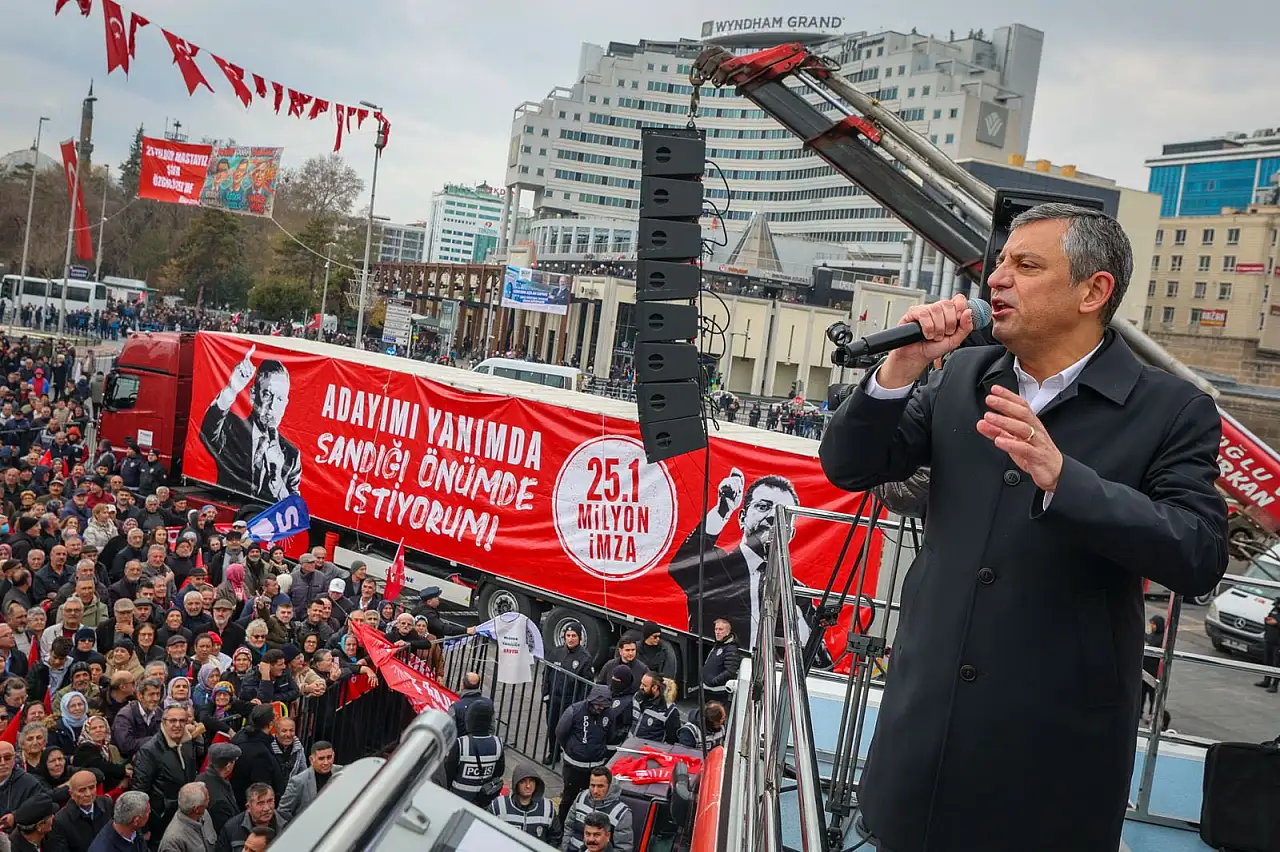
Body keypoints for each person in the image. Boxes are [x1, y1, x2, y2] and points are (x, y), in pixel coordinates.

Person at [818, 203, 1229, 852]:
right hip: (924, 739)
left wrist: (1066, 480)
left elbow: (1199, 553)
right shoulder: (964, 377)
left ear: (1094, 291)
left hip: (1052, 761)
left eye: (1026, 265)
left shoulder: (1172, 409)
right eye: (1000, 264)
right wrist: (901, 368)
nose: (997, 280)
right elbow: (849, 466)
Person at [667, 469, 809, 648]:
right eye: (763, 506)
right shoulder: (716, 566)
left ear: (791, 533)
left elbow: (821, 661)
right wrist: (722, 510)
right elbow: (681, 567)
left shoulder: (797, 592)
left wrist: (805, 637)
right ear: (742, 518)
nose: (773, 516)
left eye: (785, 514)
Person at [199, 348, 301, 502]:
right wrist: (232, 389)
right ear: (253, 394)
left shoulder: (291, 456)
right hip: (230, 502)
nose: (272, 405)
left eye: (279, 399)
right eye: (267, 395)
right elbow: (208, 430)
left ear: (286, 404)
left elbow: (295, 506)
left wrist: (278, 483)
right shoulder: (231, 427)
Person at [132, 705, 203, 836]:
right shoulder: (149, 751)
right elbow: (140, 790)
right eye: (172, 721)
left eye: (182, 721)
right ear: (164, 723)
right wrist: (144, 827)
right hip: (161, 821)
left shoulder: (187, 743)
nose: (177, 725)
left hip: (185, 814)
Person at [554, 687, 612, 827]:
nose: (600, 709)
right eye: (597, 705)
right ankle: (561, 827)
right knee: (568, 798)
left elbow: (610, 734)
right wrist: (571, 749)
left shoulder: (608, 714)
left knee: (592, 800)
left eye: (603, 706)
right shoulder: (575, 711)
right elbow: (560, 732)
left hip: (595, 767)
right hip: (574, 767)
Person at [542, 623, 595, 764]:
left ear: (580, 638)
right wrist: (545, 693)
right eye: (568, 636)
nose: (570, 639)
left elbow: (586, 685)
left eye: (574, 636)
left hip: (570, 701)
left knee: (567, 729)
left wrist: (578, 705)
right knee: (552, 726)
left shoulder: (585, 657)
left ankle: (569, 755)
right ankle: (553, 753)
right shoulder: (556, 652)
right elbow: (547, 673)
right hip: (554, 698)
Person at [444, 702, 504, 808]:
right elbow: (499, 772)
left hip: (458, 800)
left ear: (469, 720)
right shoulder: (497, 743)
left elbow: (449, 773)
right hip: (484, 801)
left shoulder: (461, 744)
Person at [560, 767, 633, 852]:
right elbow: (569, 826)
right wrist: (565, 848)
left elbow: (623, 848)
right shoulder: (581, 797)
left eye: (600, 786)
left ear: (610, 786)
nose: (595, 791)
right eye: (592, 785)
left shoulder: (621, 814)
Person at [488, 764, 561, 846]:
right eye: (523, 782)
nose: (528, 786)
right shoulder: (498, 806)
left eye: (531, 781)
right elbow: (487, 835)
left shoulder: (548, 808)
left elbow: (555, 837)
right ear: (516, 784)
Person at [45, 771, 112, 852]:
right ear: (71, 793)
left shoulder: (107, 804)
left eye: (91, 788)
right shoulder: (60, 821)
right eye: (82, 790)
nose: (88, 794)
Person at [215, 783, 285, 852]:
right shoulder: (231, 829)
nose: (266, 808)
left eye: (270, 801)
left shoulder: (288, 822)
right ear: (248, 807)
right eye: (260, 803)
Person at [277, 741, 338, 821]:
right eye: (321, 759)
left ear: (333, 756)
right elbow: (282, 813)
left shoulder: (343, 772)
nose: (326, 762)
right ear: (311, 760)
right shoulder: (298, 781)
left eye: (329, 757)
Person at [195, 744, 240, 837]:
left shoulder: (200, 778)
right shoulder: (220, 802)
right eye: (235, 761)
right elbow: (225, 831)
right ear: (228, 765)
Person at [157, 783, 217, 852]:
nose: (208, 802)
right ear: (196, 809)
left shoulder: (204, 814)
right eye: (207, 799)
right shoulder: (172, 841)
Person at [0, 741, 45, 827]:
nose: (2, 763)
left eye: (7, 758)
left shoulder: (28, 782)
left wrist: (16, 816)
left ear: (14, 759)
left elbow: (44, 802)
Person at [700, 618, 740, 709]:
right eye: (716, 629)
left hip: (717, 693)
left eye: (720, 629)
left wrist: (714, 681)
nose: (717, 632)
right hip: (708, 691)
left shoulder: (731, 649)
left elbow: (730, 671)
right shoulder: (719, 644)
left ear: (728, 632)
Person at [630, 673, 679, 744]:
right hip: (630, 745)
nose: (641, 687)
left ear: (654, 688)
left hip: (650, 751)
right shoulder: (637, 697)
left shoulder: (668, 710)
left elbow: (673, 739)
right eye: (641, 683)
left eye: (645, 685)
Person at [449, 673, 490, 738]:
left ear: (463, 685)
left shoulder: (455, 707)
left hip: (462, 744)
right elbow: (492, 727)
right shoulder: (488, 703)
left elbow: (450, 730)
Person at [1256, 596, 1280, 693]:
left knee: (1277, 664)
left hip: (1278, 643)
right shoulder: (1275, 609)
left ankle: (1275, 685)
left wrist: (1277, 624)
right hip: (1269, 639)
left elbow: (1275, 622)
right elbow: (1269, 618)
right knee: (1267, 661)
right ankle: (1266, 681)